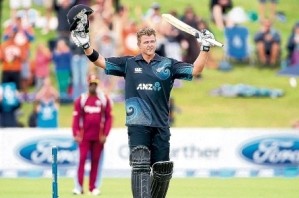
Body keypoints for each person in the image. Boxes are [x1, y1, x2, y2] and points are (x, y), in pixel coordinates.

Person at [68, 4, 215, 198]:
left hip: (161, 124)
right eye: (146, 42)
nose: (150, 45)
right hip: (138, 124)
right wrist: (86, 46)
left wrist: (204, 48)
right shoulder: (128, 63)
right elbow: (99, 61)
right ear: (139, 44)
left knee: (163, 170)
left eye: (152, 41)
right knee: (140, 164)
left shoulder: (167, 65)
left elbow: (195, 70)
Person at [72, 74, 113, 195]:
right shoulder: (82, 99)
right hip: (84, 137)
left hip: (98, 138)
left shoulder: (103, 99)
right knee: (81, 161)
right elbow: (76, 118)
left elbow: (109, 118)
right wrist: (75, 133)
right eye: (91, 84)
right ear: (88, 84)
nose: (93, 86)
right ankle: (78, 187)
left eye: (95, 84)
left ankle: (93, 187)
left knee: (96, 162)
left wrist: (105, 134)